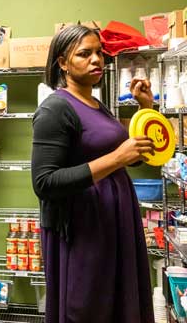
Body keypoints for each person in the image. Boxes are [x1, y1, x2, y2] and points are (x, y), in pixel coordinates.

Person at [31, 25, 155, 323]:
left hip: (114, 223)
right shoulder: (55, 109)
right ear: (63, 63)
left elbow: (132, 154)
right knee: (87, 309)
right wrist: (116, 159)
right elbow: (44, 182)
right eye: (84, 54)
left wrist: (146, 108)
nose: (97, 59)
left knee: (117, 307)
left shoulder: (97, 105)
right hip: (83, 230)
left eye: (99, 52)